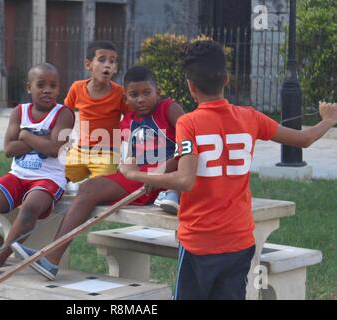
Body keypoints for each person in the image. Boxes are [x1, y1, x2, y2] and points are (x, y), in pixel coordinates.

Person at [119, 40, 337, 300]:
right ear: (227, 79)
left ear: (190, 86)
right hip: (239, 241)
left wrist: (135, 174)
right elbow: (305, 139)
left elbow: (186, 180)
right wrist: (328, 120)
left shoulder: (189, 123)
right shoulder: (250, 117)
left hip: (199, 242)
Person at [10, 66, 185, 280]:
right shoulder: (127, 121)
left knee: (89, 189)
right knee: (87, 187)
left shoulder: (169, 108)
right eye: (134, 95)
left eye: (146, 93)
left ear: (157, 91)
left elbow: (189, 145)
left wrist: (158, 173)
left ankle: (51, 257)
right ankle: (51, 256)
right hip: (138, 178)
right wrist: (127, 168)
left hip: (160, 180)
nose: (141, 99)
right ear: (126, 98)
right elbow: (130, 158)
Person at [0, 63, 74, 276]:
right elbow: (9, 149)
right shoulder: (20, 112)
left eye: (53, 85)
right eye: (41, 85)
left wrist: (26, 135)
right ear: (29, 87)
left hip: (49, 178)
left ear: (59, 89)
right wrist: (43, 140)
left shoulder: (64, 114)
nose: (47, 90)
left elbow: (55, 149)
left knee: (30, 207)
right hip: (18, 175)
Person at [63, 40, 129, 183]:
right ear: (88, 65)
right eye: (101, 60)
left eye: (112, 62)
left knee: (99, 187)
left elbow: (131, 120)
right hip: (79, 151)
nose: (107, 65)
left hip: (107, 153)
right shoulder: (77, 88)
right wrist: (65, 143)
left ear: (115, 68)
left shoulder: (119, 93)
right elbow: (65, 115)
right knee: (54, 175)